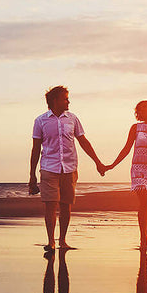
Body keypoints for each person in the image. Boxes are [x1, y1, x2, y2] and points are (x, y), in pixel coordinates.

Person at [28, 86, 105, 250]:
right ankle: (51, 241)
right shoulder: (40, 121)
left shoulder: (72, 119)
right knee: (50, 205)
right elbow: (35, 148)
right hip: (49, 167)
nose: (68, 101)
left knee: (66, 205)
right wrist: (32, 176)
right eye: (65, 98)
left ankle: (62, 240)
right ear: (55, 100)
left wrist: (97, 162)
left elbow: (83, 141)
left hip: (69, 168)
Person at [102, 100, 147, 248]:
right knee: (144, 201)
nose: (142, 110)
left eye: (145, 107)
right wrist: (112, 165)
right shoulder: (136, 128)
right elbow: (126, 148)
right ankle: (143, 239)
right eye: (140, 109)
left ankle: (145, 236)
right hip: (138, 168)